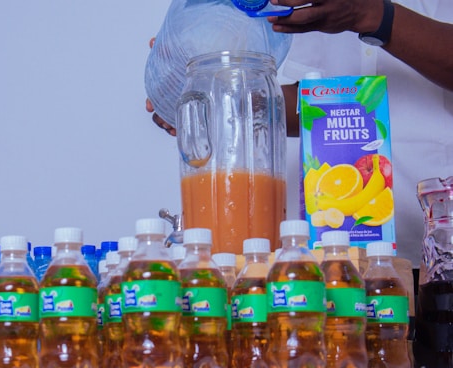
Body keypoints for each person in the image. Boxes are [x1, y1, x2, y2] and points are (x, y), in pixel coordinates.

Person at [146, 0, 453, 267]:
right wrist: (209, 93)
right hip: (304, 260)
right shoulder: (274, 8)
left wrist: (373, 15)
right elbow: (301, 104)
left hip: (435, 258)